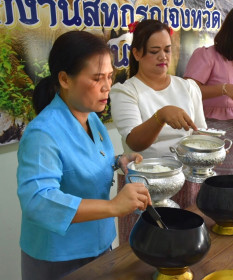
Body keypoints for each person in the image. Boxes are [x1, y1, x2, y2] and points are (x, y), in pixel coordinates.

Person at [17, 31, 152, 280]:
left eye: (110, 77)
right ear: (65, 79)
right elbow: (37, 200)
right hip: (58, 257)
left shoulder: (91, 118)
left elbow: (82, 162)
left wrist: (118, 161)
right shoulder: (42, 133)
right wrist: (113, 206)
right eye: (97, 78)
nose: (107, 87)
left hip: (99, 245)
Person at [110, 19, 207, 159]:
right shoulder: (126, 92)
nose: (163, 57)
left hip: (186, 173)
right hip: (145, 175)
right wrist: (161, 116)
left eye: (167, 50)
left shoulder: (187, 87)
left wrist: (210, 150)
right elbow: (134, 143)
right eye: (154, 51)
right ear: (137, 54)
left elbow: (199, 132)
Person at [184, 5, 233, 175]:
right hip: (209, 131)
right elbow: (188, 91)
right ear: (232, 34)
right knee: (208, 181)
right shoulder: (207, 55)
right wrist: (224, 89)